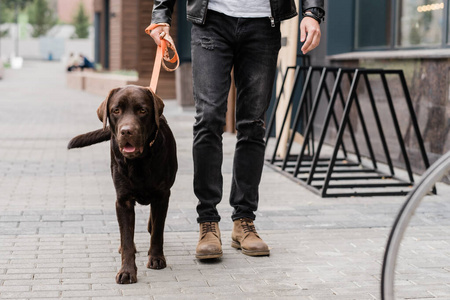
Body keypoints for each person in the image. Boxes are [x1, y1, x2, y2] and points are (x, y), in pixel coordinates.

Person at [150, 0, 325, 259]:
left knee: (252, 124)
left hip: (264, 23)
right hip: (212, 20)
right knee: (208, 119)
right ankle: (207, 222)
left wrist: (312, 12)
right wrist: (161, 14)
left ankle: (244, 221)